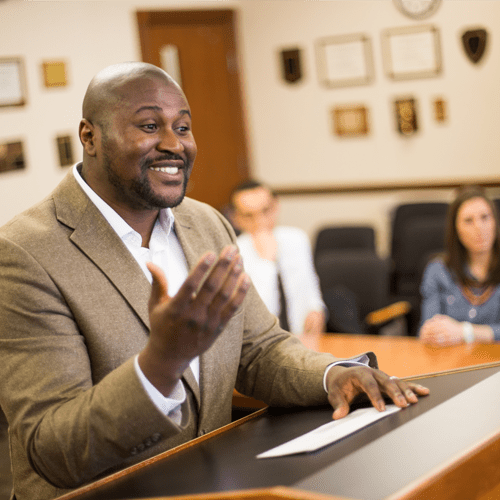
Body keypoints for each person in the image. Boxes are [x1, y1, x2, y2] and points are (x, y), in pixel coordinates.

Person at [0, 62, 428, 500]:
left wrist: (333, 375)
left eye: (182, 127)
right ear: (89, 136)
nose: (173, 144)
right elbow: (51, 448)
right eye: (149, 125)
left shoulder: (206, 224)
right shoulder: (24, 253)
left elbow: (259, 350)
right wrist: (161, 364)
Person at [231, 180, 325, 335]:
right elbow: (262, 315)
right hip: (263, 343)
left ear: (276, 207)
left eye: (266, 211)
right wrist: (266, 261)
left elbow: (310, 285)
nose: (260, 222)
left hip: (302, 337)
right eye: (249, 215)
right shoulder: (235, 252)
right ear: (237, 218)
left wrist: (316, 309)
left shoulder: (296, 238)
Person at [419, 185, 500, 345]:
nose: (479, 228)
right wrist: (430, 332)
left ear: (495, 222)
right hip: (452, 361)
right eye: (468, 221)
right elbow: (429, 325)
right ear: (456, 229)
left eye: (485, 217)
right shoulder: (438, 269)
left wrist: (465, 332)